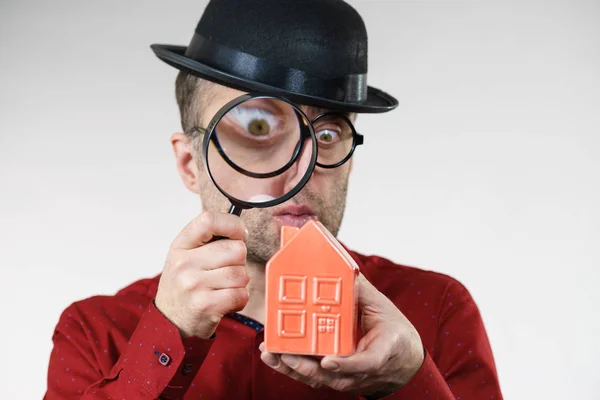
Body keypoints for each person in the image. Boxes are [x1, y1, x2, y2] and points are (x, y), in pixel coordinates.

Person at [44, 0, 503, 399]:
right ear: (190, 163)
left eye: (326, 133)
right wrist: (166, 340)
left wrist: (407, 381)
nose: (301, 172)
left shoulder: (435, 313)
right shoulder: (96, 332)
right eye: (258, 127)